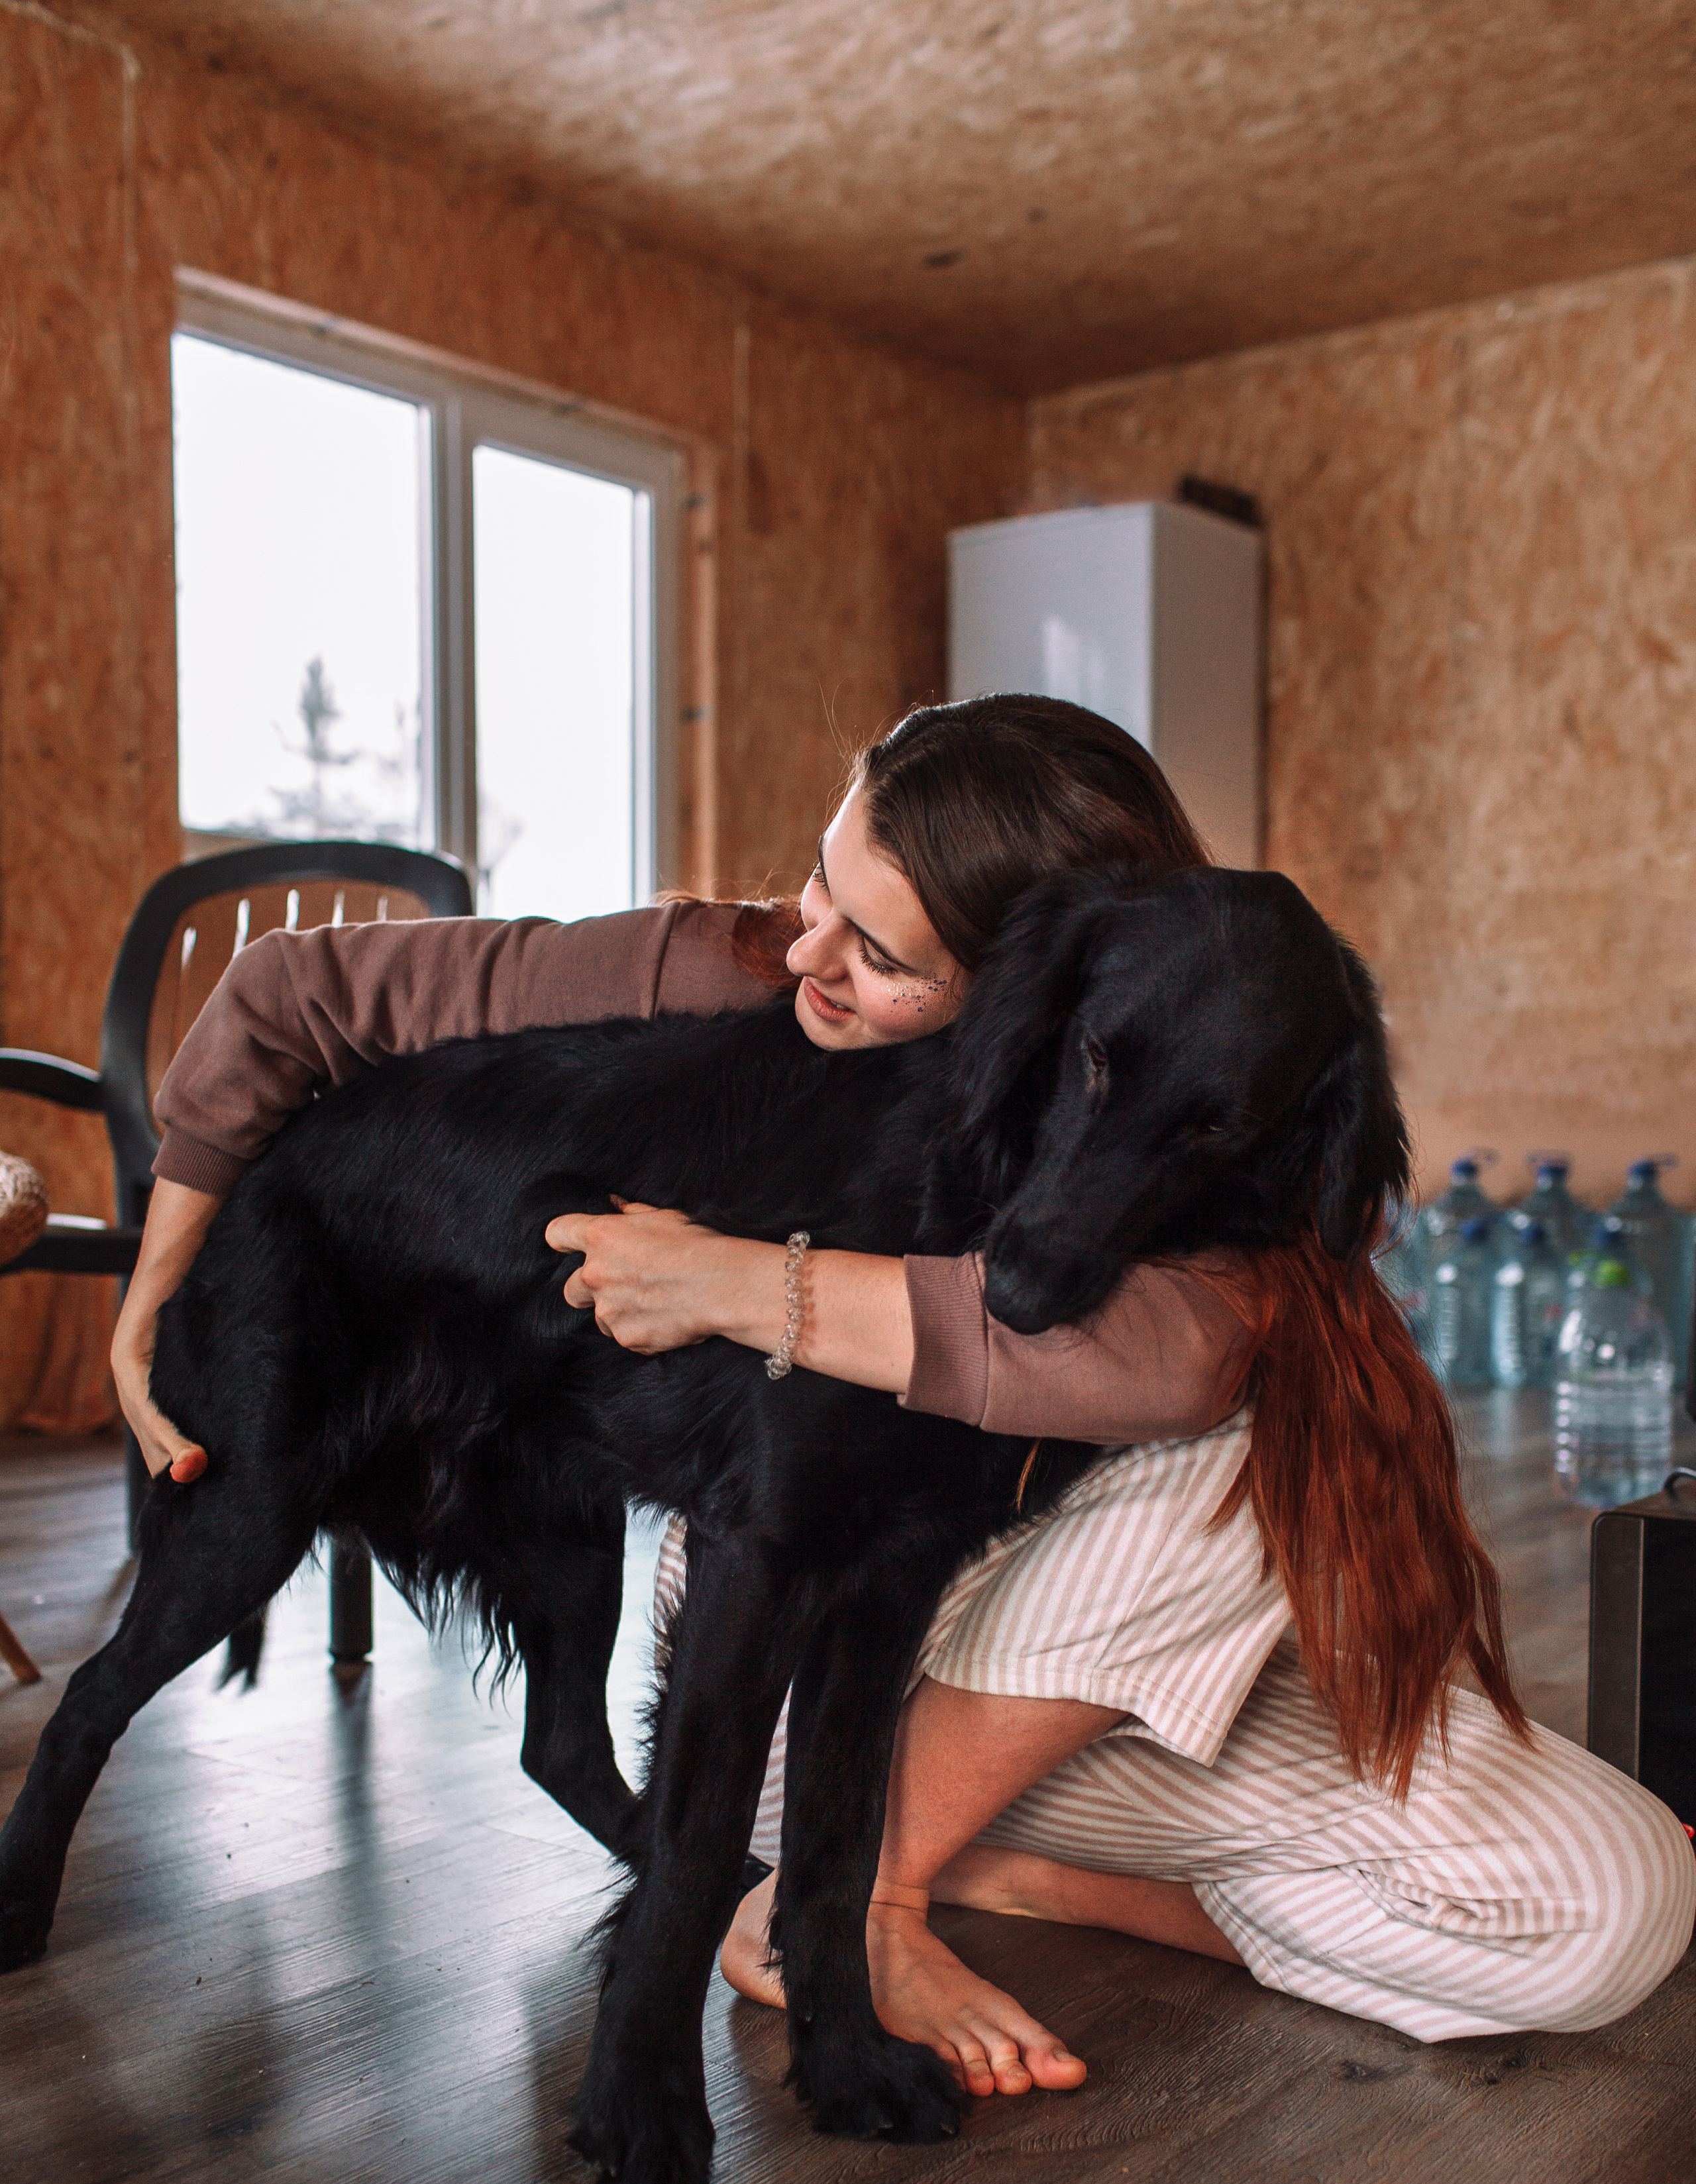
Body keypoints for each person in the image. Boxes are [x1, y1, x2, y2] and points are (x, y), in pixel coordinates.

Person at [115, 696, 1694, 2099]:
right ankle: (859, 1898)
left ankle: (991, 1873)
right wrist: (153, 1297)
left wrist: (742, 1282)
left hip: (1078, 1674)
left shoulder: (1217, 1100)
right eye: (823, 883)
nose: (806, 950)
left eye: (880, 954)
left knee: (1610, 1909)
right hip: (792, 1632)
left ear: (1017, 992)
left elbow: (1160, 1357)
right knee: (1236, 1462)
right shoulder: (736, 964)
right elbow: (294, 992)